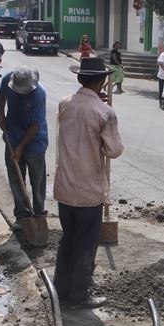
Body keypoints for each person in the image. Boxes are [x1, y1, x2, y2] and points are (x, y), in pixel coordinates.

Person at [53, 57, 124, 308]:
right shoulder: (105, 112)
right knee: (85, 244)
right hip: (88, 191)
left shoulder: (65, 104)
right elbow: (114, 150)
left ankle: (60, 290)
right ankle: (78, 295)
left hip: (64, 187)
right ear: (101, 81)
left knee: (68, 240)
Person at [0, 66, 48, 225]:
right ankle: (21, 214)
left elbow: (35, 125)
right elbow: (2, 94)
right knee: (16, 178)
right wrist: (0, 113)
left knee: (37, 179)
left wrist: (21, 147)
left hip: (35, 142)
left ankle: (38, 211)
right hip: (12, 135)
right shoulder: (9, 79)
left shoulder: (39, 94)